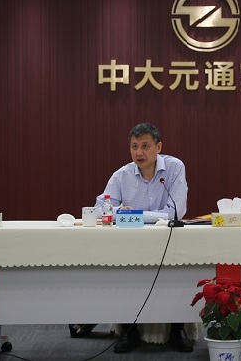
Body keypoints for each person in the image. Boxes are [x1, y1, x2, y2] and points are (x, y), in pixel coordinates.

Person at [78, 122, 192, 354]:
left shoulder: (174, 168)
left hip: (168, 241)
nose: (139, 152)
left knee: (177, 275)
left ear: (158, 147)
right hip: (131, 245)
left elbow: (175, 213)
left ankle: (177, 330)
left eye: (145, 146)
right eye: (134, 146)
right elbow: (100, 210)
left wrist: (134, 215)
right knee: (125, 275)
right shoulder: (122, 175)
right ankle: (129, 331)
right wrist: (119, 211)